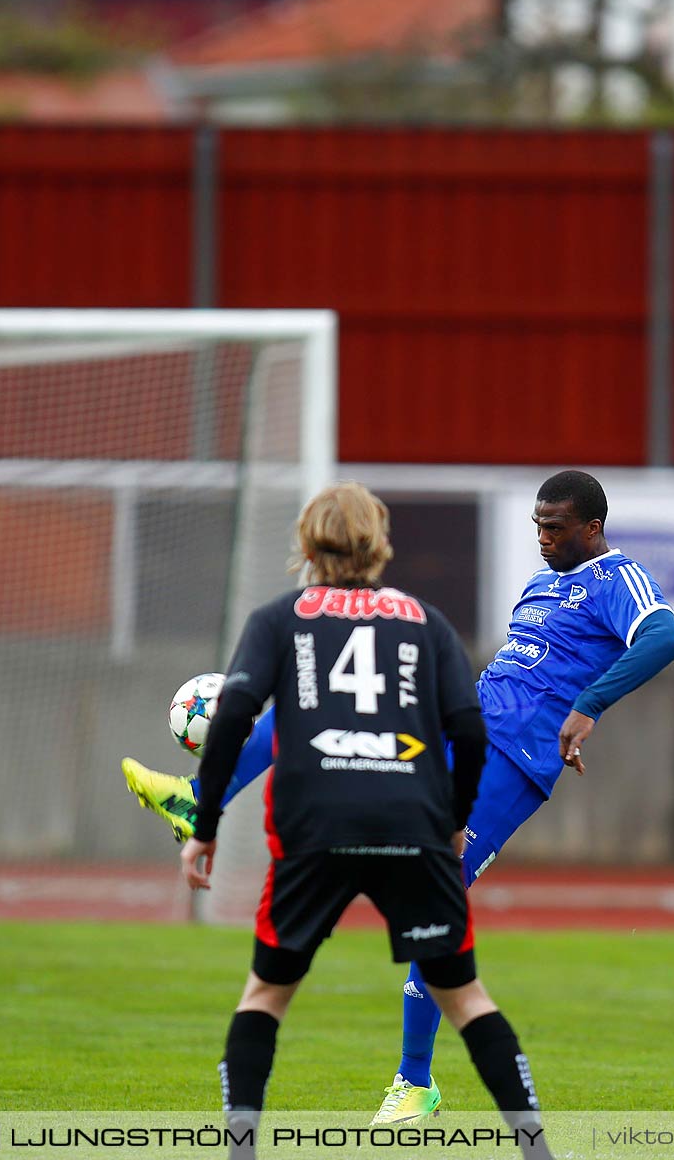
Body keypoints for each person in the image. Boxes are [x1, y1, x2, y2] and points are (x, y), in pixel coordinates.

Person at [125, 469, 674, 1121]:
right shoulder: (539, 585)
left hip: (513, 759)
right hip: (462, 722)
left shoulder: (619, 578)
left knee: (438, 906)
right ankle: (199, 799)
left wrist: (588, 705)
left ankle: (414, 1081)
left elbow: (663, 637)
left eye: (555, 528)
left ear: (592, 528)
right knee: (320, 697)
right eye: (536, 526)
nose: (542, 539)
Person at [181, 481, 550, 1160]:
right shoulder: (425, 620)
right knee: (466, 997)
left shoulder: (278, 618)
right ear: (378, 544)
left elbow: (232, 718)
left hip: (313, 823)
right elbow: (468, 729)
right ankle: (535, 1149)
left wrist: (204, 823)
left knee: (265, 994)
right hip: (412, 821)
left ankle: (240, 1150)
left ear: (306, 543)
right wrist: (457, 818)